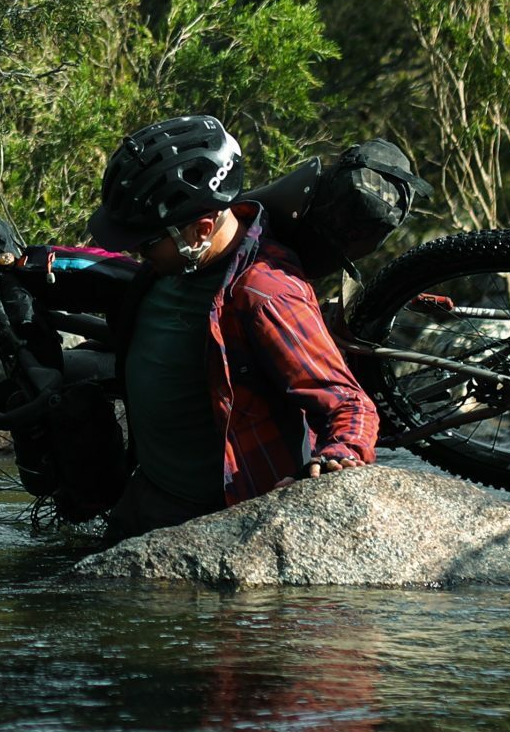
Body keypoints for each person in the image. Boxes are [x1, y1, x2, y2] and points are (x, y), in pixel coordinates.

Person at [84, 114, 378, 538]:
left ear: (201, 229)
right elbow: (107, 268)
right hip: (145, 494)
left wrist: (340, 457)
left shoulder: (265, 294)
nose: (135, 252)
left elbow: (350, 405)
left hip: (212, 521)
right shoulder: (174, 265)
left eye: (144, 244)